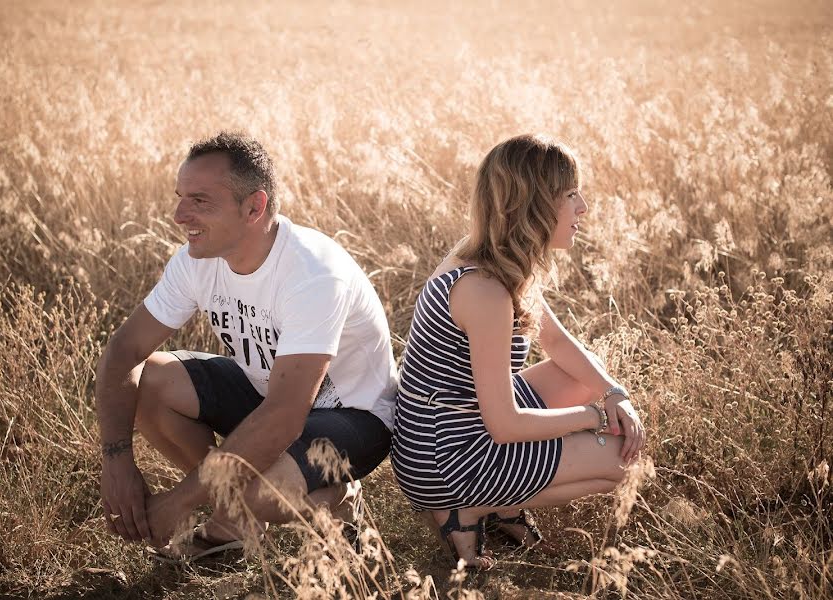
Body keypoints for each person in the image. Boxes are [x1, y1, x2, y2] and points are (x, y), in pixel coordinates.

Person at [96, 131, 397, 559]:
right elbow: (123, 352)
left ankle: (338, 499)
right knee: (150, 381)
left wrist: (180, 501)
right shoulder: (196, 259)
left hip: (352, 416)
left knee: (259, 490)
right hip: (267, 396)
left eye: (200, 201)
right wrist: (116, 459)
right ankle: (235, 522)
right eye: (181, 197)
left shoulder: (312, 274)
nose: (180, 215)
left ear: (254, 206)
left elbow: (285, 416)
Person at [390, 134, 646, 569]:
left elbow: (559, 343)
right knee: (621, 466)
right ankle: (466, 509)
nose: (582, 206)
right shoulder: (483, 291)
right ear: (533, 205)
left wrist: (612, 392)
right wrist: (595, 419)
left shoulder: (499, 258)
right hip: (444, 456)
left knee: (583, 377)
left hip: (453, 421)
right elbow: (506, 424)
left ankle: (503, 502)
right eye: (569, 195)